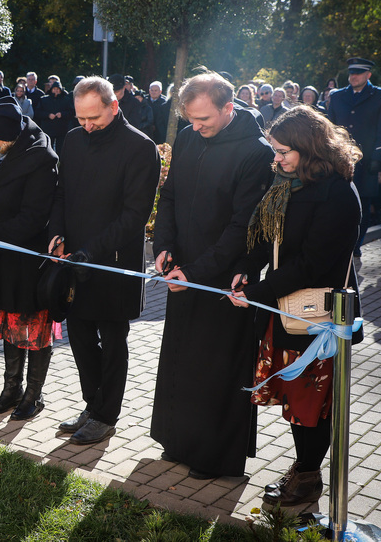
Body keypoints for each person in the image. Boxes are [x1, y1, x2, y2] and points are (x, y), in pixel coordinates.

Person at [228, 105, 362, 508]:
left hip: (318, 318)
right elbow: (264, 233)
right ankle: (303, 466)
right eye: (275, 150)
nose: (276, 158)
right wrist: (246, 270)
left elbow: (313, 264)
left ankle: (308, 476)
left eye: (284, 151)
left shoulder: (338, 193)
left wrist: (257, 293)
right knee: (295, 400)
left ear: (309, 148)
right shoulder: (288, 181)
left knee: (312, 404)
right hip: (284, 308)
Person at [151, 70, 274, 478]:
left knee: (214, 369)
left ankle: (213, 456)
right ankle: (180, 441)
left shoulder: (255, 152)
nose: (196, 127)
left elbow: (243, 227)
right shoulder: (188, 137)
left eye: (204, 119)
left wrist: (198, 270)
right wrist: (163, 245)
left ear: (228, 107)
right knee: (181, 361)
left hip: (221, 277)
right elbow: (168, 195)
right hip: (182, 270)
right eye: (191, 119)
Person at [50, 77, 160, 445]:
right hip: (75, 260)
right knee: (79, 337)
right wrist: (57, 232)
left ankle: (106, 415)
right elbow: (61, 192)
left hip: (113, 262)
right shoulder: (72, 140)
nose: (86, 125)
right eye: (80, 117)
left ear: (114, 106)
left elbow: (133, 216)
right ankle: (90, 404)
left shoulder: (140, 148)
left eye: (93, 117)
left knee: (113, 341)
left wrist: (91, 251)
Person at [0, 97, 59, 420]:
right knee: (8, 326)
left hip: (25, 261)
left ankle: (34, 395)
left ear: (8, 138)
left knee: (31, 330)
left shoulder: (41, 160)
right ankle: (11, 389)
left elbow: (34, 217)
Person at [327, 57, 381, 256]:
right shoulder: (338, 96)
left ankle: (356, 245)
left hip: (366, 161)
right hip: (340, 159)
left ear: (368, 75)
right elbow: (330, 127)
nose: (353, 77)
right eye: (351, 73)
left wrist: (378, 158)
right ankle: (339, 240)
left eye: (358, 73)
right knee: (337, 201)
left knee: (362, 205)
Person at [35, 81, 73, 151]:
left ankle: (61, 161)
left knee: (61, 148)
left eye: (58, 89)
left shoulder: (66, 100)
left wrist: (62, 114)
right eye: (54, 89)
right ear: (51, 90)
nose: (56, 91)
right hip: (48, 128)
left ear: (61, 90)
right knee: (48, 147)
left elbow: (71, 112)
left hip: (62, 129)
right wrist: (48, 115)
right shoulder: (44, 99)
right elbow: (38, 112)